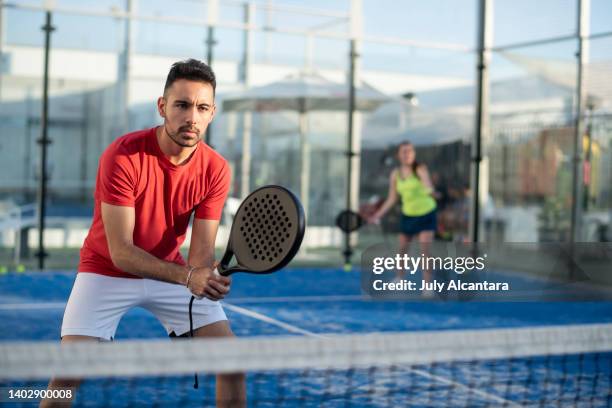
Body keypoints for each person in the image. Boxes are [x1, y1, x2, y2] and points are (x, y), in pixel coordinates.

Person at [41, 59, 245, 407]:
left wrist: (204, 276)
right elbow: (122, 251)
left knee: (234, 365)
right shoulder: (123, 155)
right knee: (67, 376)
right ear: (163, 107)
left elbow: (200, 253)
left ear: (212, 114)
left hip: (171, 273)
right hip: (106, 270)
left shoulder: (216, 169)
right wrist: (189, 275)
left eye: (202, 107)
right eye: (181, 105)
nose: (191, 117)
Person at [368, 141, 437, 296]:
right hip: (408, 215)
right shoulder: (396, 174)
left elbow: (427, 184)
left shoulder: (420, 169)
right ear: (399, 155)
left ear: (414, 154)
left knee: (425, 250)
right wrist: (377, 215)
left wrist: (429, 189)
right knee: (402, 250)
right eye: (404, 152)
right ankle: (400, 279)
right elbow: (392, 199)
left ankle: (427, 286)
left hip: (426, 212)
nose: (407, 154)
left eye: (410, 151)